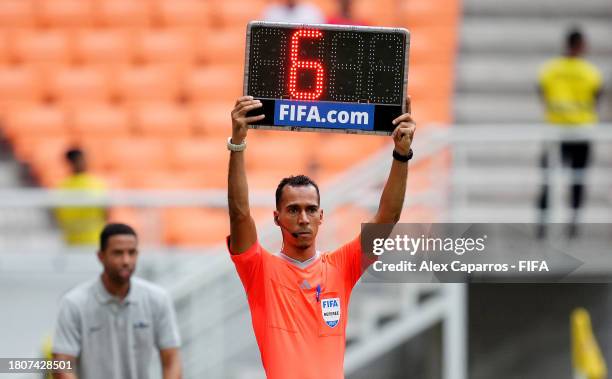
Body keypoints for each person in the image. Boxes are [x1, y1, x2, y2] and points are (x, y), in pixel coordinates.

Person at [227, 95, 416, 378]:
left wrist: (401, 154)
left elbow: (387, 219)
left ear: (321, 216)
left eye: (311, 209)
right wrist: (238, 144)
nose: (303, 218)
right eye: (293, 210)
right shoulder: (259, 269)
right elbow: (240, 214)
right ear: (276, 217)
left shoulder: (342, 266)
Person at [52, 223, 182, 379]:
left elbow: (172, 359)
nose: (126, 260)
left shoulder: (158, 299)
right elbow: (61, 364)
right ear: (101, 256)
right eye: (118, 253)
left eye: (132, 253)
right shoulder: (74, 303)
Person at [537, 28, 603, 238]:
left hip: (555, 129)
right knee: (578, 179)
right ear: (580, 45)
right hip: (581, 131)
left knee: (548, 179)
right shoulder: (590, 71)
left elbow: (542, 93)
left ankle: (543, 227)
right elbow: (597, 98)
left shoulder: (550, 69)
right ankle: (573, 226)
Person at [54, 148, 107, 246]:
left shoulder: (95, 183)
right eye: (81, 160)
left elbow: (105, 211)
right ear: (71, 163)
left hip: (94, 240)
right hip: (72, 242)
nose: (84, 162)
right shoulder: (63, 187)